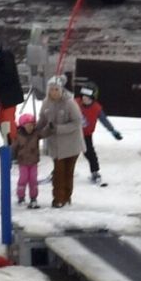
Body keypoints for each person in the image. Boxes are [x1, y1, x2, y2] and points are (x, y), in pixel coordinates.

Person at [37, 75, 86, 208]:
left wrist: (58, 129)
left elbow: (77, 123)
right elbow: (42, 121)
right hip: (56, 146)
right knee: (58, 172)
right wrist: (35, 133)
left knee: (68, 172)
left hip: (72, 144)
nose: (54, 92)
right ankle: (58, 198)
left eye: (56, 89)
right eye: (51, 89)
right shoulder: (46, 103)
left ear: (61, 90)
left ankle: (66, 197)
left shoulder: (70, 103)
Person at [74, 82, 122, 184]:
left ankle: (95, 172)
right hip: (73, 133)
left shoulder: (96, 108)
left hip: (86, 135)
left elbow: (104, 121)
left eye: (88, 98)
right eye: (83, 96)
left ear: (93, 98)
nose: (85, 99)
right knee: (68, 153)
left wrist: (113, 131)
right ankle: (60, 171)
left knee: (90, 154)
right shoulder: (75, 103)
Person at [13, 113, 43, 209]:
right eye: (28, 125)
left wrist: (50, 128)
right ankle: (21, 196)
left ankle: (33, 197)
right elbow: (14, 147)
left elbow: (45, 133)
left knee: (33, 180)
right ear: (22, 126)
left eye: (32, 125)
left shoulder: (36, 134)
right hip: (23, 162)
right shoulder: (18, 136)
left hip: (33, 162)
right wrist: (11, 157)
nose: (30, 127)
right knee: (23, 179)